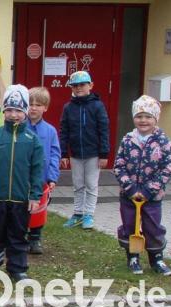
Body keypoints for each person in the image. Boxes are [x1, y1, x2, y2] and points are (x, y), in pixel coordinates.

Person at [0, 84, 43, 282]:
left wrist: (35, 196)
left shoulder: (33, 140)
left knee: (18, 235)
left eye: (18, 110)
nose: (14, 115)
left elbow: (37, 170)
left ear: (25, 112)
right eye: (9, 110)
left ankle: (17, 268)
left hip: (21, 199)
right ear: (4, 111)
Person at [114, 95, 171, 276]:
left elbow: (167, 168)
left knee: (153, 228)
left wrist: (149, 190)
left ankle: (156, 258)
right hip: (129, 196)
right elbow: (119, 165)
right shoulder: (128, 140)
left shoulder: (162, 141)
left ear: (156, 118)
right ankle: (133, 257)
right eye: (139, 116)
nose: (143, 120)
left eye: (148, 116)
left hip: (152, 197)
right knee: (130, 226)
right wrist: (130, 188)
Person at [59, 71, 110, 230]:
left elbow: (104, 130)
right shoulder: (68, 107)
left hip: (93, 154)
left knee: (91, 184)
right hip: (75, 154)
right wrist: (64, 153)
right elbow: (64, 131)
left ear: (91, 85)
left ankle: (89, 214)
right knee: (78, 184)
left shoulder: (97, 106)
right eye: (75, 86)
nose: (78, 88)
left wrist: (104, 154)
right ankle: (78, 213)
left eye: (82, 84)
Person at [26, 87, 60, 254]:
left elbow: (54, 155)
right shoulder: (20, 127)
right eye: (30, 104)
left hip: (41, 178)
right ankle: (19, 236)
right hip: (22, 177)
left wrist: (52, 177)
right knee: (21, 208)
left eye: (38, 105)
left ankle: (35, 238)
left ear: (45, 107)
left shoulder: (50, 131)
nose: (33, 108)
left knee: (38, 209)